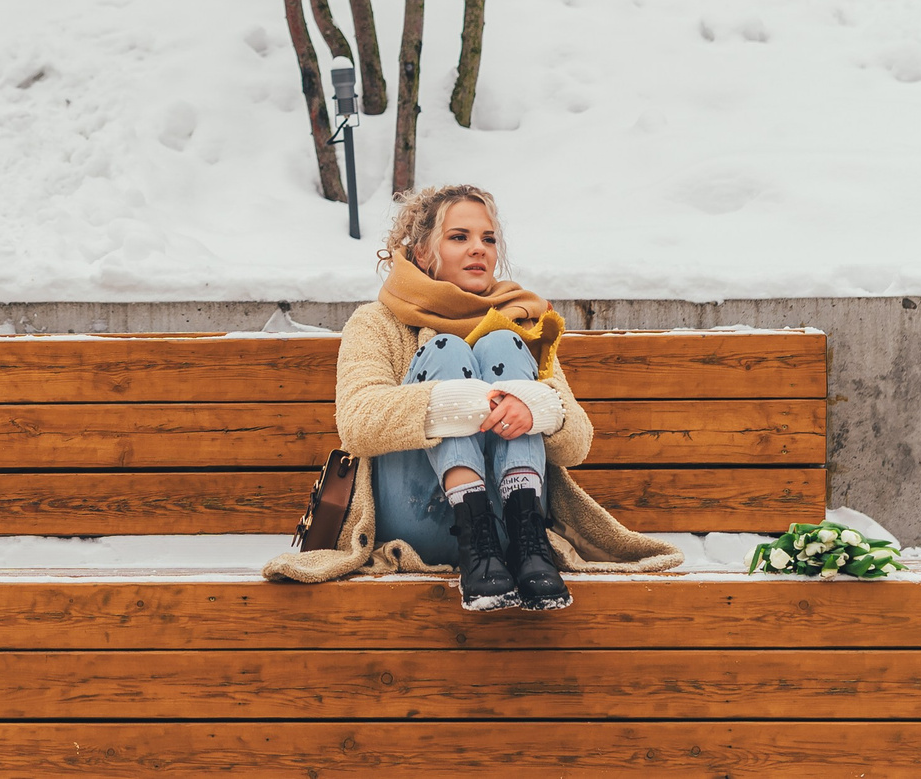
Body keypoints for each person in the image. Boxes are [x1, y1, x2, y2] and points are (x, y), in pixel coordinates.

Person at [264, 184, 680, 603]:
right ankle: (473, 533)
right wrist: (452, 404)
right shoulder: (377, 322)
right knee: (447, 349)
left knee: (501, 343)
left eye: (488, 239)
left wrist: (535, 408)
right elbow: (358, 420)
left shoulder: (521, 322)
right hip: (415, 515)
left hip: (510, 525)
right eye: (459, 237)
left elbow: (576, 444)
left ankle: (526, 539)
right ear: (424, 253)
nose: (478, 249)